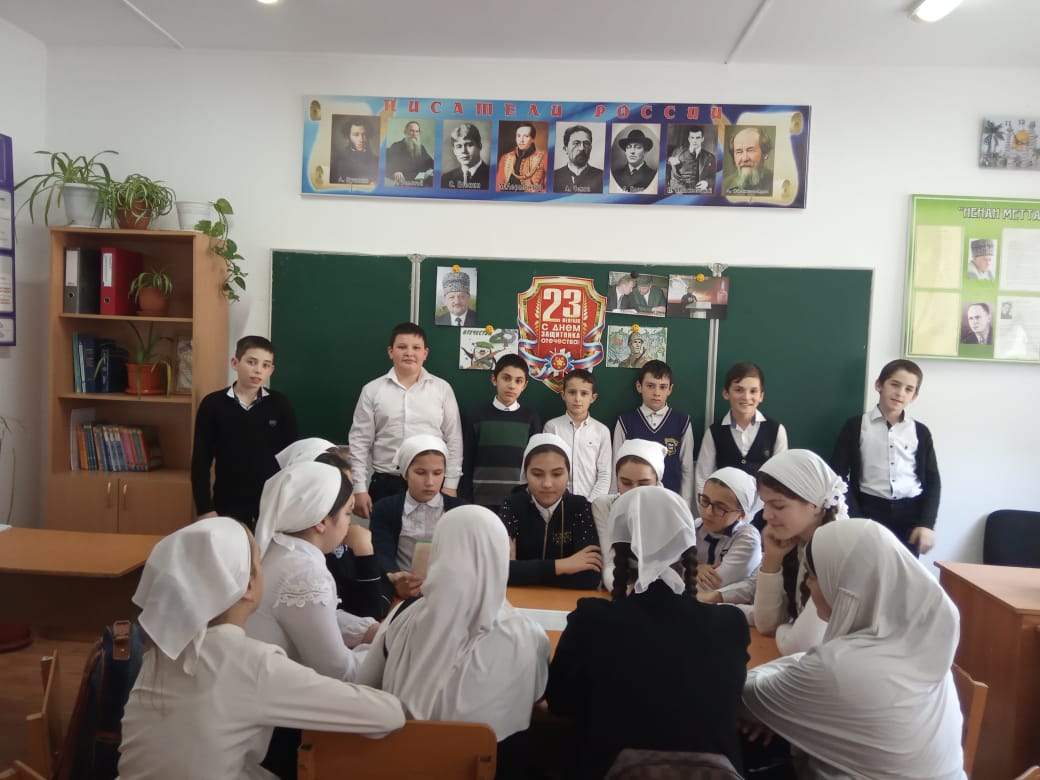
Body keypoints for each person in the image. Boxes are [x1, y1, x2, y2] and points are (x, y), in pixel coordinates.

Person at [118, 517, 404, 780]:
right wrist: (379, 648)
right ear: (248, 586)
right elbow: (387, 714)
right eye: (259, 562)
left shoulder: (160, 653)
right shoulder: (252, 663)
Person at [545, 487, 750, 780]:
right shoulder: (730, 624)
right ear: (688, 546)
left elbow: (559, 702)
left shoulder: (592, 619)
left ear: (618, 549)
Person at [743, 518, 965, 780]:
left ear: (845, 585)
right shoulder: (916, 644)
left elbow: (742, 698)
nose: (809, 587)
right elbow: (803, 663)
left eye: (813, 577)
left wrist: (774, 712)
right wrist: (783, 709)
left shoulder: (838, 668)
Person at [358, 505, 550, 776]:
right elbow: (537, 697)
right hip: (490, 768)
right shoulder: (529, 635)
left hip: (399, 764)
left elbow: (364, 686)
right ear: (501, 557)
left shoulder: (403, 616)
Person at [246, 462, 373, 681]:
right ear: (321, 521)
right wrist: (385, 651)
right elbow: (340, 672)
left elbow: (313, 617)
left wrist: (367, 630)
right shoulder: (304, 573)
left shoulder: (280, 548)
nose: (349, 524)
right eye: (347, 513)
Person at [348, 322, 463, 519]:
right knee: (384, 537)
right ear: (390, 352)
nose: (409, 353)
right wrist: (358, 488)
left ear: (425, 353)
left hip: (432, 483)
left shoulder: (442, 389)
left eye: (416, 348)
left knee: (431, 538)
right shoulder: (372, 390)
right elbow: (359, 442)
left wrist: (450, 484)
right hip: (386, 483)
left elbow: (454, 440)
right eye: (402, 347)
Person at [830, 359, 940, 557]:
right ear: (879, 385)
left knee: (904, 572)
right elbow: (837, 475)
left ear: (914, 396)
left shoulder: (920, 432)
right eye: (894, 384)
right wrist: (855, 516)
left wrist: (927, 523)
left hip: (910, 517)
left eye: (908, 389)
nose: (900, 393)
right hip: (869, 511)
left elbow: (933, 481)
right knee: (866, 567)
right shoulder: (855, 426)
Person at [276, 438, 392, 621]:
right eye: (340, 488)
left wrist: (389, 581)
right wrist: (364, 553)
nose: (350, 499)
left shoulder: (347, 536)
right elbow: (369, 613)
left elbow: (382, 593)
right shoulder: (305, 559)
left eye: (349, 487)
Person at [191, 335, 298, 530]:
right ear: (235, 363)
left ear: (271, 370)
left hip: (271, 505)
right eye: (251, 362)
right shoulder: (213, 405)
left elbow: (294, 459)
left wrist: (290, 504)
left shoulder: (280, 405)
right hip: (227, 503)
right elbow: (200, 461)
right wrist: (205, 508)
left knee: (266, 550)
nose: (258, 370)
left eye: (266, 365)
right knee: (231, 549)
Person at [754, 449, 846, 656]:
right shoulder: (795, 541)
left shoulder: (836, 550)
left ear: (815, 505)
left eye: (778, 505)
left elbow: (799, 647)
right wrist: (772, 559)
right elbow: (766, 624)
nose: (766, 515)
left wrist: (785, 627)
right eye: (765, 504)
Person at [499, 433, 601, 589]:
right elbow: (500, 571)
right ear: (525, 474)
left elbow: (590, 577)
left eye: (557, 474)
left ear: (569, 474)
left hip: (567, 601)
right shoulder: (513, 506)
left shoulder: (580, 507)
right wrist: (564, 565)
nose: (547, 484)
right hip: (520, 600)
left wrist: (522, 572)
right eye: (537, 474)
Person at [369, 434, 466, 599]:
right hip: (402, 591)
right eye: (420, 473)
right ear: (405, 473)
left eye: (437, 473)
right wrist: (396, 577)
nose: (430, 482)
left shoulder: (460, 510)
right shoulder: (385, 508)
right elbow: (382, 552)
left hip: (450, 593)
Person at [694, 362, 789, 510]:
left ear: (761, 396)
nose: (746, 397)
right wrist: (707, 512)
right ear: (726, 393)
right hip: (723, 513)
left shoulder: (776, 430)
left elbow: (781, 479)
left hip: (763, 514)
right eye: (739, 390)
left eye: (753, 391)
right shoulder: (714, 432)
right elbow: (703, 477)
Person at [461, 354, 542, 511]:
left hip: (519, 501)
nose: (511, 385)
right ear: (494, 379)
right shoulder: (478, 416)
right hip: (481, 499)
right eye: (506, 378)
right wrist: (465, 498)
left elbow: (536, 462)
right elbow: (467, 459)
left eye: (518, 381)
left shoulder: (531, 418)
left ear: (524, 385)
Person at [612, 360, 694, 508]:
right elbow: (616, 468)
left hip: (670, 502)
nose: (656, 393)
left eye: (663, 387)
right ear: (639, 386)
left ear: (670, 389)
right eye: (650, 386)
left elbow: (687, 469)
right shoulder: (625, 422)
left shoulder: (682, 422)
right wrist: (615, 503)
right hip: (633, 502)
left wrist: (684, 506)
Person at [591, 438, 666, 590]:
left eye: (643, 484)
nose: (634, 491)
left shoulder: (669, 511)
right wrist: (623, 593)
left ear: (657, 482)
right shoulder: (603, 505)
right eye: (626, 483)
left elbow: (665, 570)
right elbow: (610, 562)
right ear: (616, 479)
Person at [692, 467, 762, 601]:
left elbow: (708, 587)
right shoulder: (693, 527)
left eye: (720, 507)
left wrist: (686, 569)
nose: (708, 512)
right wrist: (695, 568)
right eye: (705, 501)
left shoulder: (748, 538)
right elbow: (663, 570)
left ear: (741, 515)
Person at [543, 369, 611, 501]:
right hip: (558, 502)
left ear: (593, 398)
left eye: (584, 393)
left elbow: (604, 474)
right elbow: (547, 468)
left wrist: (590, 503)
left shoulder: (602, 431)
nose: (577, 399)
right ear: (563, 395)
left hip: (591, 502)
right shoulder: (552, 427)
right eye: (572, 392)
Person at [496, 122, 547, 193]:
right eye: (518, 136)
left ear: (533, 139)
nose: (521, 140)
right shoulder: (505, 158)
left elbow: (548, 189)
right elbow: (498, 187)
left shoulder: (543, 157)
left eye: (526, 136)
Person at [553, 124, 604, 194]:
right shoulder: (554, 176)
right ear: (565, 149)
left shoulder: (602, 176)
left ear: (590, 148)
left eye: (586, 144)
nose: (582, 148)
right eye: (576, 143)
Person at [723, 126, 773, 196]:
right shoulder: (724, 185)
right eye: (739, 151)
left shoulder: (775, 183)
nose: (744, 159)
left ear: (765, 154)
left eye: (750, 150)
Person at [666, 125, 716, 193]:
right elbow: (673, 174)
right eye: (692, 138)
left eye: (698, 138)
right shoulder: (678, 151)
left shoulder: (710, 157)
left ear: (702, 139)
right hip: (680, 191)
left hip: (700, 192)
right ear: (689, 139)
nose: (694, 141)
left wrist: (707, 183)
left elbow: (714, 177)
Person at [330, 117, 378, 185]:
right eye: (356, 135)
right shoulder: (338, 159)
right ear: (348, 136)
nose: (361, 139)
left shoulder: (376, 161)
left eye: (364, 134)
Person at [440, 122, 489, 190]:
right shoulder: (445, 179)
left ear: (479, 146)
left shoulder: (490, 175)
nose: (463, 151)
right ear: (454, 151)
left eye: (469, 145)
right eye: (458, 146)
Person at [384, 120, 434, 187]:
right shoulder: (396, 146)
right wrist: (395, 171)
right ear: (405, 132)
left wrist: (431, 170)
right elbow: (387, 164)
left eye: (417, 131)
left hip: (420, 182)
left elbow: (430, 163)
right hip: (405, 182)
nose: (414, 134)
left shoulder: (421, 148)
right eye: (411, 131)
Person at [611, 127, 658, 193]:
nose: (632, 151)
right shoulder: (616, 175)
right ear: (625, 152)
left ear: (644, 151)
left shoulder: (653, 175)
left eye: (637, 147)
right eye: (629, 147)